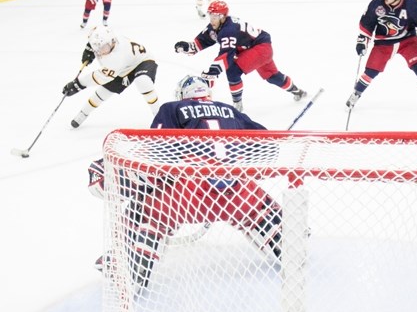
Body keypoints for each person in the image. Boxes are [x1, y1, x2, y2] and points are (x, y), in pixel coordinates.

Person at [89, 75, 283, 289]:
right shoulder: (231, 110)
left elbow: (157, 154)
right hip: (238, 192)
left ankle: (131, 262)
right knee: (259, 207)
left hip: (186, 193)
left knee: (145, 211)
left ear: (182, 95)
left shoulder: (173, 108)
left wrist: (119, 176)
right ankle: (284, 238)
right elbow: (268, 145)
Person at [174, 0, 307, 112]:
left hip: (261, 48)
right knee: (272, 76)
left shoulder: (228, 30)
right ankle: (297, 91)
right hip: (251, 47)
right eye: (211, 16)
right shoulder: (215, 27)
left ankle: (237, 107)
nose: (212, 19)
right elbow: (199, 43)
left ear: (223, 17)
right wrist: (186, 46)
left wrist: (213, 71)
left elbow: (226, 55)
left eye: (215, 16)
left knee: (232, 71)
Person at [346, 0, 417, 110]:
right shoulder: (376, 4)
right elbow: (367, 25)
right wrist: (362, 42)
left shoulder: (411, 3)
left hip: (407, 40)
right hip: (383, 43)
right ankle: (356, 94)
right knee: (370, 71)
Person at [62, 25, 160, 128]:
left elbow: (100, 77)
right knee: (102, 92)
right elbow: (96, 35)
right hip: (124, 67)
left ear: (112, 41)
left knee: (143, 81)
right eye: (97, 48)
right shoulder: (108, 39)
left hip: (142, 61)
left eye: (103, 47)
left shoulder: (116, 57)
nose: (100, 51)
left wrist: (78, 84)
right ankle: (83, 113)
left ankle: (159, 116)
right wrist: (89, 48)